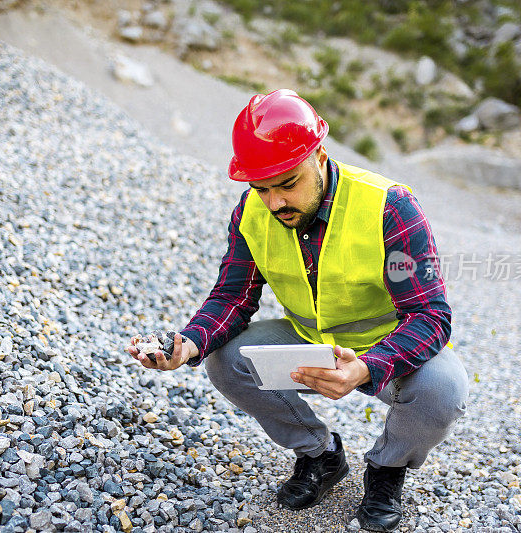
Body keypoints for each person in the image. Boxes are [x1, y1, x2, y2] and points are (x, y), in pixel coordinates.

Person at [126, 89, 469, 532]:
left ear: (320, 157)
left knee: (444, 390)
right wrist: (186, 345)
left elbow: (429, 314)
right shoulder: (251, 214)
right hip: (311, 344)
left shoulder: (390, 207)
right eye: (261, 188)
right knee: (225, 361)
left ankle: (386, 470)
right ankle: (320, 456)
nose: (275, 203)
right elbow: (232, 297)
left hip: (388, 347)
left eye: (288, 184)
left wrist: (366, 367)